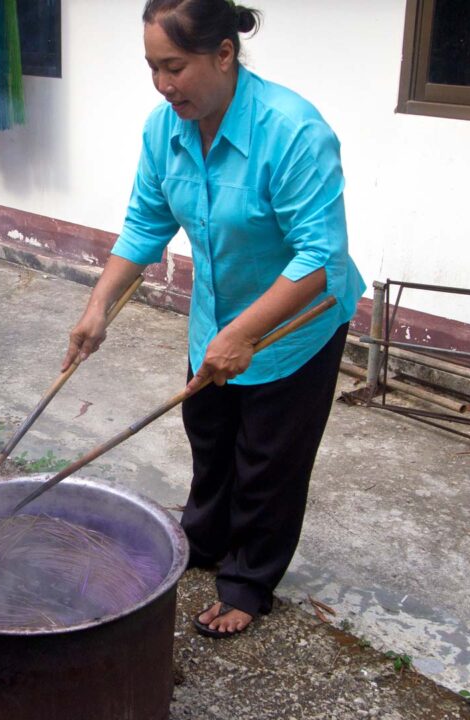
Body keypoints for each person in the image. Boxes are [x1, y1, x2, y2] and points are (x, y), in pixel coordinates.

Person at [63, 0, 365, 638]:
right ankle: (203, 541)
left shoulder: (291, 131)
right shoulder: (164, 128)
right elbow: (146, 223)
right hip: (217, 319)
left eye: (175, 66)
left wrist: (247, 333)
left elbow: (322, 258)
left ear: (223, 54)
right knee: (210, 435)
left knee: (269, 459)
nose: (163, 85)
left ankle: (249, 582)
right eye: (152, 68)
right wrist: (98, 307)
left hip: (296, 326)